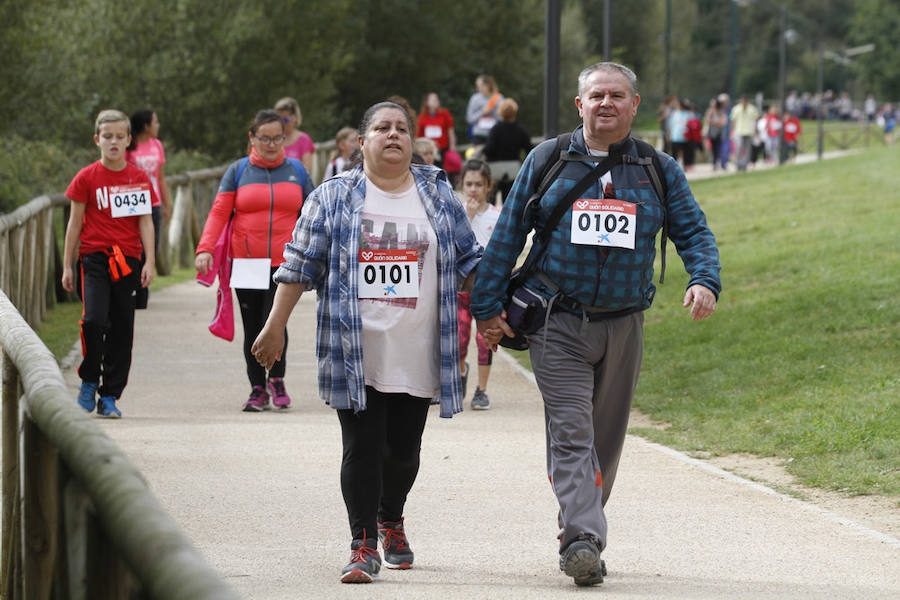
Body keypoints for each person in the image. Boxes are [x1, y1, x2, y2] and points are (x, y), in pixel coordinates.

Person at [470, 62, 721, 587]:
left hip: (625, 323)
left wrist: (704, 279)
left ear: (634, 106)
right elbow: (508, 236)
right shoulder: (547, 160)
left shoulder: (657, 167)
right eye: (596, 96)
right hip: (558, 321)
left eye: (617, 96)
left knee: (604, 440)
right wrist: (488, 306)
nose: (606, 103)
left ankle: (581, 520)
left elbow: (694, 231)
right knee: (571, 431)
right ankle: (582, 538)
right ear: (579, 105)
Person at [250, 101, 482, 584]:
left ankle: (391, 519)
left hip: (419, 348)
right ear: (362, 141)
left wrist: (495, 313)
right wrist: (274, 326)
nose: (392, 135)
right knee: (361, 445)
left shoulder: (437, 194)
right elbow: (299, 265)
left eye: (401, 129)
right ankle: (363, 545)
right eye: (382, 128)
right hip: (355, 348)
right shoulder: (332, 197)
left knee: (404, 451)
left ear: (413, 141)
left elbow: (468, 261)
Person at [195, 109, 312, 412]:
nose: (271, 144)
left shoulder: (297, 171)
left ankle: (278, 379)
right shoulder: (238, 171)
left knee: (275, 320)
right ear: (252, 137)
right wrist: (205, 248)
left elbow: (314, 213)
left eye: (277, 138)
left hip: (286, 262)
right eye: (265, 138)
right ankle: (257, 388)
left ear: (284, 138)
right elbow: (219, 212)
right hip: (246, 261)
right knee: (252, 324)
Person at [62, 109, 156, 418]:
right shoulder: (86, 177)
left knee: (122, 326)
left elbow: (146, 222)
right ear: (97, 140)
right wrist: (67, 266)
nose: (113, 142)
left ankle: (110, 395)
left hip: (127, 260)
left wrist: (149, 261)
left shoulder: (138, 177)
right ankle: (89, 379)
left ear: (129, 139)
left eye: (119, 137)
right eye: (107, 137)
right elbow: (74, 224)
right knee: (94, 320)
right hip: (94, 258)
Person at [455, 159, 500, 410]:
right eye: (469, 184)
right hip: (461, 289)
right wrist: (467, 217)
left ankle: (481, 390)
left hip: (485, 290)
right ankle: (462, 371)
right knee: (460, 339)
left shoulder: (497, 216)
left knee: (485, 340)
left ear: (488, 186)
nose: (473, 189)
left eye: (479, 185)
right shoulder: (457, 213)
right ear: (462, 185)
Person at [126, 109, 171, 253]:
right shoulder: (128, 148)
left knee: (152, 246)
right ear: (146, 126)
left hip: (154, 203)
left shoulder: (157, 145)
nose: (158, 125)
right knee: (134, 247)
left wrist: (167, 205)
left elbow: (161, 177)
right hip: (133, 203)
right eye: (155, 122)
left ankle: (148, 275)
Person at [483, 98, 533, 202]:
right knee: (508, 201)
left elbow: (489, 149)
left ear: (500, 112)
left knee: (491, 200)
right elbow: (529, 149)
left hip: (494, 170)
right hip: (512, 170)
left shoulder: (496, 129)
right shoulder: (520, 130)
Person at [275, 97, 315, 175]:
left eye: (286, 120)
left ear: (295, 118)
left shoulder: (304, 139)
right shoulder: (273, 139)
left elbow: (306, 171)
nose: (282, 123)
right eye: (279, 119)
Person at [416, 92, 456, 166]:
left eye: (437, 99)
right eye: (433, 99)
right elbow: (419, 135)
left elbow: (450, 130)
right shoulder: (422, 117)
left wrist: (452, 146)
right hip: (428, 150)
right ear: (427, 102)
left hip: (443, 148)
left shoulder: (444, 113)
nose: (436, 101)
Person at [466, 75, 503, 145]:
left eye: (481, 86)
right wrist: (482, 112)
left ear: (488, 85)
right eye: (478, 86)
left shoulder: (499, 98)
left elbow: (503, 118)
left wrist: (493, 112)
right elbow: (469, 119)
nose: (479, 88)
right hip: (479, 135)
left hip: (495, 134)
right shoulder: (475, 99)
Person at [730, 95, 759, 171]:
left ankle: (744, 165)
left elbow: (756, 119)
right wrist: (731, 131)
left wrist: (755, 130)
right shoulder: (736, 109)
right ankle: (738, 163)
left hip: (749, 131)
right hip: (739, 131)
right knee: (739, 147)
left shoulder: (752, 109)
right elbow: (733, 120)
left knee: (747, 149)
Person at [703, 98, 727, 170]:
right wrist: (717, 123)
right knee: (713, 149)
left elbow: (723, 122)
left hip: (719, 133)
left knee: (718, 148)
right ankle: (714, 163)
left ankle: (718, 162)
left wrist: (713, 122)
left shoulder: (721, 112)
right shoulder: (710, 112)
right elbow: (707, 120)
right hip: (712, 133)